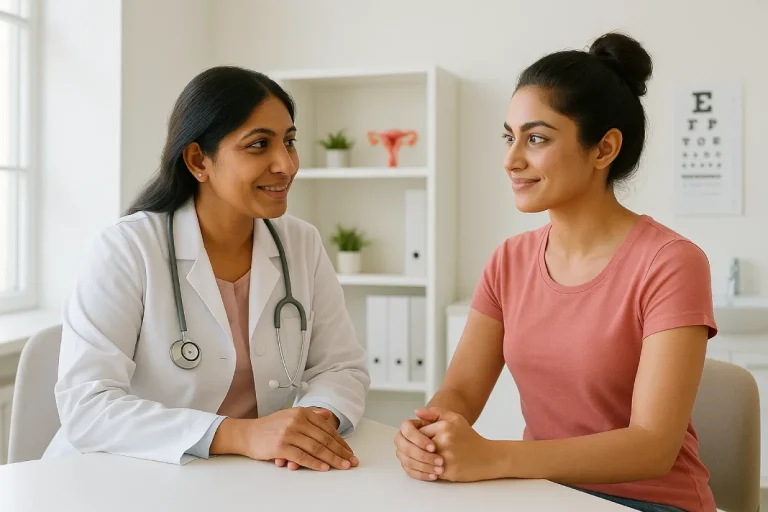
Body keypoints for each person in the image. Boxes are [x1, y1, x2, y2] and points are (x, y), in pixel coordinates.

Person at [395, 32, 717, 512]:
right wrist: (429, 433)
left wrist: (494, 457)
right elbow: (461, 390)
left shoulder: (670, 263)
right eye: (509, 136)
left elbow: (653, 446)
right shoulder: (509, 260)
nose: (511, 159)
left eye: (537, 138)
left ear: (604, 149)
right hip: (547, 495)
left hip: (651, 502)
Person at [44, 66, 370, 471]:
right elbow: (87, 405)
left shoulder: (300, 243)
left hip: (242, 475)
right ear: (199, 160)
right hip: (121, 474)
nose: (285, 164)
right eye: (259, 145)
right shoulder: (126, 248)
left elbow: (340, 367)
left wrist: (310, 428)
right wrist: (241, 434)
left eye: (289, 142)